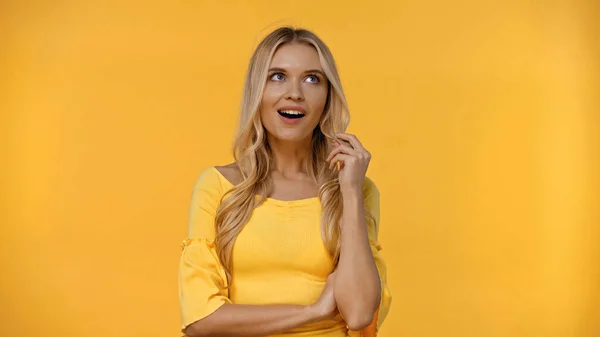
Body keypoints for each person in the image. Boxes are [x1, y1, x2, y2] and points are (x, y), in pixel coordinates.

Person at [178, 26, 392, 337]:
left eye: (312, 79)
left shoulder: (355, 188)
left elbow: (359, 312)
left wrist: (350, 192)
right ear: (257, 91)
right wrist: (313, 311)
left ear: (328, 98)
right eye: (277, 76)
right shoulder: (219, 186)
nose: (295, 93)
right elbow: (200, 320)